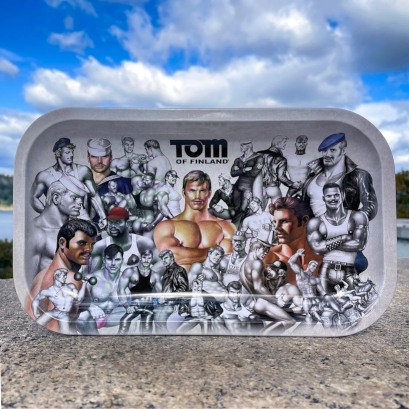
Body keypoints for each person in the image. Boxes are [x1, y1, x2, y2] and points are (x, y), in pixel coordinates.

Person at [153, 170, 236, 270]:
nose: (197, 196)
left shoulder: (225, 227)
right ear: (184, 193)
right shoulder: (166, 226)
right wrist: (215, 252)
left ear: (209, 193)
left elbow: (230, 261)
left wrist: (185, 254)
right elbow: (171, 256)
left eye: (202, 191)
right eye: (192, 190)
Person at [27, 219, 98, 333]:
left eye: (92, 244)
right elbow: (55, 332)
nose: (89, 249)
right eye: (81, 243)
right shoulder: (70, 280)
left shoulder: (41, 275)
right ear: (62, 243)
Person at [306, 183, 369, 295]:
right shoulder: (316, 222)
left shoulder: (357, 217)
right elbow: (317, 248)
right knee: (325, 303)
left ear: (342, 195)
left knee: (350, 303)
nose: (333, 199)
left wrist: (326, 245)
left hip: (348, 270)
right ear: (323, 198)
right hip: (326, 270)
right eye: (329, 196)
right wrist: (343, 237)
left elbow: (360, 244)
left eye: (336, 195)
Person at [301, 132, 377, 221]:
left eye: (332, 150)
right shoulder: (311, 178)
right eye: (324, 150)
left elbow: (371, 206)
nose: (327, 154)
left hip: (345, 229)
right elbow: (303, 209)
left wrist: (348, 223)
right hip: (315, 229)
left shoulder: (359, 176)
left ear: (343, 151)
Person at [30, 137, 107, 223]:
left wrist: (103, 217)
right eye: (67, 152)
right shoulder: (45, 176)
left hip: (82, 221)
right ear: (58, 153)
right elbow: (33, 197)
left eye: (72, 152)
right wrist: (47, 215)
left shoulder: (82, 171)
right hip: (58, 224)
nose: (71, 155)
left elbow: (94, 195)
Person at [29, 177, 88, 283]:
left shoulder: (78, 229)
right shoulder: (36, 233)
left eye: (81, 198)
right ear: (56, 198)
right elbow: (28, 283)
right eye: (74, 197)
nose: (80, 203)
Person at [239, 240, 296, 331]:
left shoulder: (244, 264)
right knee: (290, 321)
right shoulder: (257, 263)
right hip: (262, 303)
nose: (266, 253)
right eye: (265, 249)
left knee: (280, 319)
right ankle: (262, 337)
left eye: (268, 250)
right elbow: (258, 287)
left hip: (255, 303)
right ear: (256, 249)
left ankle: (261, 336)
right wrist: (276, 301)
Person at [265, 196, 322, 285]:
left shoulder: (321, 258)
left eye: (284, 221)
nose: (276, 227)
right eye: (275, 222)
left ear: (304, 221)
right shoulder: (270, 258)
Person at [76, 244, 126, 334]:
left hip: (113, 316)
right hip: (92, 318)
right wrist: (91, 306)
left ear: (122, 260)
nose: (113, 263)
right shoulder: (92, 278)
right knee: (82, 316)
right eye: (109, 259)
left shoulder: (125, 280)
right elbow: (76, 299)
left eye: (117, 259)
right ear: (104, 260)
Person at [90, 207, 157, 273]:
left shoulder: (143, 243)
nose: (113, 226)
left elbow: (160, 264)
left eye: (118, 222)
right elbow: (93, 275)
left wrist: (143, 277)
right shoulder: (100, 246)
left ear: (127, 223)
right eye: (110, 222)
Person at [31, 268, 90, 334]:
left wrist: (84, 284)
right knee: (36, 325)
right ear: (57, 277)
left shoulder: (71, 287)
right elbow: (36, 300)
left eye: (65, 276)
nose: (65, 277)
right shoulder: (49, 291)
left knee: (66, 333)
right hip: (54, 312)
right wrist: (35, 312)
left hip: (64, 315)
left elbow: (78, 298)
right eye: (63, 276)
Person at [117, 250, 162, 335]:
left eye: (149, 258)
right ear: (140, 257)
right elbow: (120, 289)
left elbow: (161, 294)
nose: (146, 260)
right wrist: (127, 306)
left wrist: (158, 308)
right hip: (134, 307)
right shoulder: (130, 271)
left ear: (152, 259)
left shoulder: (155, 275)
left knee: (147, 333)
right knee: (124, 323)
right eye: (144, 257)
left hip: (148, 307)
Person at [86, 138, 133, 216]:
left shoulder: (124, 183)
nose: (99, 161)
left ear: (111, 157)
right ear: (88, 158)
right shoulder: (80, 183)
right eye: (94, 156)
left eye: (104, 156)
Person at [257, 135, 301, 209]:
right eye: (284, 142)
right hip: (273, 188)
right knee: (277, 211)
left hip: (259, 188)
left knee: (258, 212)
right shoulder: (281, 159)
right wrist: (292, 184)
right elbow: (281, 177)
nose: (285, 144)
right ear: (278, 143)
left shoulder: (258, 154)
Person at [153, 250, 189, 334]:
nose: (164, 260)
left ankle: (165, 340)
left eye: (166, 258)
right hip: (163, 303)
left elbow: (183, 288)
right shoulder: (167, 271)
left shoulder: (179, 270)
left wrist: (167, 298)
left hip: (170, 303)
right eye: (162, 259)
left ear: (172, 258)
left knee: (160, 323)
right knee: (157, 322)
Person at [230, 141, 264, 225]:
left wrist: (239, 170)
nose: (241, 148)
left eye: (242, 146)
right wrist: (244, 170)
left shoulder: (258, 158)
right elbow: (232, 173)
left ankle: (235, 228)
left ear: (248, 146)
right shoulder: (238, 159)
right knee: (235, 208)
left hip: (248, 187)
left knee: (243, 209)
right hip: (237, 186)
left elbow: (253, 173)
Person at [288, 249, 324, 323]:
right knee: (309, 315)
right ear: (309, 265)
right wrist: (297, 254)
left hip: (315, 299)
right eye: (313, 266)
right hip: (306, 299)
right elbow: (290, 262)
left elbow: (322, 291)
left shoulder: (315, 279)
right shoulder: (301, 273)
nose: (314, 268)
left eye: (316, 267)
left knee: (321, 315)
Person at [129, 172, 161, 238]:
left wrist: (153, 224)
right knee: (141, 242)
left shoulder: (156, 191)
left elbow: (162, 210)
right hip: (141, 221)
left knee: (143, 242)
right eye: (143, 179)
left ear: (152, 181)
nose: (144, 181)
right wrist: (132, 211)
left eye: (147, 180)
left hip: (146, 221)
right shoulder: (140, 192)